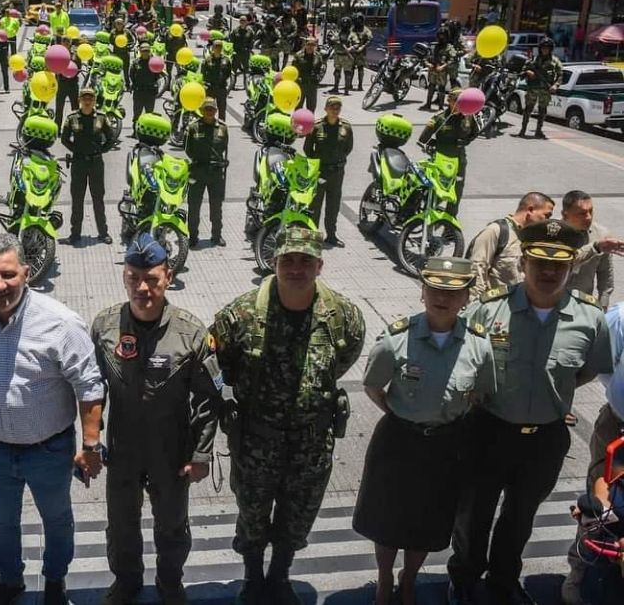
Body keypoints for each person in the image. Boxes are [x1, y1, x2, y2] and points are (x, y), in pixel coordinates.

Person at [447, 219, 614, 605]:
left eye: (559, 265)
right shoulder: (489, 311)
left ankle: (504, 582)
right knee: (474, 515)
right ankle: (465, 578)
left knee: (519, 519)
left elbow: (588, 369)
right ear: (523, 263)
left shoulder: (589, 319)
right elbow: (464, 360)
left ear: (572, 267)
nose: (548, 272)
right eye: (539, 262)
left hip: (545, 437)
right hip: (489, 430)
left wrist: (551, 395)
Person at [211, 227, 365, 604]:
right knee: (252, 514)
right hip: (257, 439)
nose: (296, 268)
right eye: (288, 260)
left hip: (311, 441)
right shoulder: (241, 314)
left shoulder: (342, 315)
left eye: (305, 261)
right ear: (274, 263)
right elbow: (219, 363)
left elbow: (344, 357)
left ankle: (279, 575)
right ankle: (252, 577)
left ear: (319, 265)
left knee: (298, 515)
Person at [0, 233, 106, 605]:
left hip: (49, 449)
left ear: (27, 272)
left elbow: (89, 386)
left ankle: (55, 578)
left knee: (56, 518)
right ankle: (11, 580)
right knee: (0, 522)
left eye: (8, 274)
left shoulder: (60, 323)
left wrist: (91, 446)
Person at [353, 257, 496, 605]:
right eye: (434, 288)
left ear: (466, 297)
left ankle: (410, 577)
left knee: (429, 520)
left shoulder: (478, 344)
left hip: (446, 445)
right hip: (399, 441)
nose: (441, 297)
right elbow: (373, 386)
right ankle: (385, 578)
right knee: (387, 517)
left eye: (452, 291)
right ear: (422, 291)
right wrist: (401, 413)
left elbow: (482, 392)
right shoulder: (396, 339)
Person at [92, 233, 221, 604]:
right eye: (134, 277)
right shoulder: (105, 327)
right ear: (124, 276)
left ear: (168, 276)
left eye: (152, 278)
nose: (142, 287)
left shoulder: (191, 332)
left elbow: (209, 398)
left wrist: (201, 454)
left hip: (171, 448)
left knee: (172, 524)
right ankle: (127, 581)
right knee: (121, 524)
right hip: (123, 447)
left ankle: (170, 582)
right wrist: (91, 439)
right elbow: (91, 388)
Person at [561, 300, 624, 605]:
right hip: (618, 428)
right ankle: (579, 576)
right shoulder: (620, 318)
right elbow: (601, 365)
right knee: (598, 510)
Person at [467, 192, 554, 299]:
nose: (548, 221)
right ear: (531, 210)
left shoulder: (534, 239)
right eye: (546, 215)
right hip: (496, 308)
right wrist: (475, 307)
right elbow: (477, 270)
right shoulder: (496, 231)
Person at [61, 87, 115, 245]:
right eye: (84, 98)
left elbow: (111, 138)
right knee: (77, 199)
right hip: (78, 163)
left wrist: (101, 150)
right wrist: (76, 151)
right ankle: (75, 235)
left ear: (94, 100)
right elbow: (64, 139)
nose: (87, 101)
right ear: (79, 100)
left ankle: (103, 233)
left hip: (96, 163)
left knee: (98, 198)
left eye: (90, 98)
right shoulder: (72, 118)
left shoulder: (102, 117)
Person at [418, 88, 478, 215]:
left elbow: (474, 133)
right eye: (456, 100)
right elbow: (423, 139)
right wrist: (436, 145)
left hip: (459, 160)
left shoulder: (468, 117)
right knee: (437, 189)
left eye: (461, 101)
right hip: (440, 159)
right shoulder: (439, 118)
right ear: (449, 100)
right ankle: (427, 214)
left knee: (457, 190)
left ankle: (450, 223)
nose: (459, 104)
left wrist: (466, 141)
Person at [304, 96, 353, 246]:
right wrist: (317, 164)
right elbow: (307, 148)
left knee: (333, 205)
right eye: (332, 107)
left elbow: (348, 148)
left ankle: (331, 235)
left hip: (337, 173)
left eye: (338, 108)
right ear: (325, 109)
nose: (335, 110)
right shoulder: (317, 126)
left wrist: (338, 160)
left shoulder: (346, 127)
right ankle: (312, 235)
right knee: (315, 205)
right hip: (320, 172)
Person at [184, 98, 229, 248]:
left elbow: (224, 147)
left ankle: (216, 236)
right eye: (206, 109)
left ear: (216, 111)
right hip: (197, 171)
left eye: (212, 109)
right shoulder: (193, 127)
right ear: (202, 111)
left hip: (215, 173)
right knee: (194, 206)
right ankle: (193, 237)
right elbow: (188, 149)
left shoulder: (223, 128)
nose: (209, 112)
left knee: (216, 207)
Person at [562, 190, 617, 309]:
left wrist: (603, 306)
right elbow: (568, 260)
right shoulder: (552, 233)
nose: (588, 217)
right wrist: (595, 247)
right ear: (565, 214)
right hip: (553, 302)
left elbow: (605, 274)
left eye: (591, 211)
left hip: (583, 304)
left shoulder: (602, 235)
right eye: (582, 213)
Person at [517, 37, 563, 139]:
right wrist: (528, 72)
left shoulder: (555, 61)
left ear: (551, 49)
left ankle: (538, 131)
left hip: (545, 90)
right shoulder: (533, 59)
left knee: (542, 110)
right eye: (543, 47)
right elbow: (522, 71)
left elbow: (560, 75)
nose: (545, 50)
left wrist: (556, 85)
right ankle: (523, 129)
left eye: (547, 48)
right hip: (533, 88)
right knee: (528, 109)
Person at [420, 29, 458, 111]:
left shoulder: (449, 48)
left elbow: (452, 59)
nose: (441, 37)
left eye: (443, 35)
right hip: (433, 70)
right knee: (431, 87)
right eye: (440, 35)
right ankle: (428, 104)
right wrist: (428, 64)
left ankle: (440, 107)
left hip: (442, 71)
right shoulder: (434, 47)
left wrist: (443, 66)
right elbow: (427, 57)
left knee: (441, 88)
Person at [290, 38, 324, 113]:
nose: (310, 47)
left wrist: (318, 77)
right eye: (308, 44)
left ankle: (310, 123)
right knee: (298, 107)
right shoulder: (298, 55)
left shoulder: (318, 56)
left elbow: (321, 68)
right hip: (301, 85)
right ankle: (297, 123)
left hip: (312, 85)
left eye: (313, 45)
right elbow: (293, 69)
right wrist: (297, 79)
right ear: (305, 45)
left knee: (311, 107)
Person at [129, 42, 159, 126]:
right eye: (143, 51)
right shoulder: (136, 62)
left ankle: (147, 132)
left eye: (147, 51)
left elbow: (158, 75)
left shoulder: (154, 62)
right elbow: (131, 74)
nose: (145, 53)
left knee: (149, 114)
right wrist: (133, 84)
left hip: (150, 92)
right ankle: (135, 130)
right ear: (140, 51)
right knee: (137, 113)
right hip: (139, 91)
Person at [201, 40, 230, 122]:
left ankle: (221, 125)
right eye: (216, 46)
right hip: (210, 88)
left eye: (219, 46)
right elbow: (203, 72)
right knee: (208, 107)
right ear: (212, 48)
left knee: (222, 109)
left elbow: (228, 73)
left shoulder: (226, 60)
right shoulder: (208, 60)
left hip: (221, 88)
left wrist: (222, 80)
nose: (217, 48)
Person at [55, 35, 81, 128]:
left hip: (72, 83)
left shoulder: (75, 53)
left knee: (75, 108)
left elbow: (79, 67)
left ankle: (76, 128)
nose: (66, 43)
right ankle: (57, 129)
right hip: (61, 83)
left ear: (70, 43)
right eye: (64, 41)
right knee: (59, 109)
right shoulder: (58, 53)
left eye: (67, 42)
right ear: (61, 43)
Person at [329, 17, 356, 95]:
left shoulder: (352, 34)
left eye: (346, 24)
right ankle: (335, 87)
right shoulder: (338, 33)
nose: (345, 25)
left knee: (347, 73)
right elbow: (333, 40)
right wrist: (333, 40)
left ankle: (346, 90)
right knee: (337, 72)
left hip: (347, 56)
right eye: (343, 23)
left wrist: (350, 48)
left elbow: (356, 43)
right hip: (338, 55)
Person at [350, 13, 373, 91]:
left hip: (361, 52)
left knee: (360, 68)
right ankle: (349, 84)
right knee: (351, 68)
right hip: (352, 52)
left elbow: (369, 40)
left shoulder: (366, 30)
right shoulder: (352, 29)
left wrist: (362, 47)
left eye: (359, 20)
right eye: (356, 20)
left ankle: (360, 85)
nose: (357, 22)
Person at [231, 15, 256, 87]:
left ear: (246, 22)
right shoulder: (235, 30)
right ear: (239, 21)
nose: (242, 22)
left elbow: (252, 40)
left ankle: (246, 85)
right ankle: (233, 84)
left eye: (244, 21)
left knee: (246, 70)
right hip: (236, 53)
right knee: (234, 70)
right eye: (241, 20)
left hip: (245, 53)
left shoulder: (250, 31)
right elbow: (231, 41)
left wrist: (249, 49)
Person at [111, 19, 134, 89]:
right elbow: (110, 41)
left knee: (126, 71)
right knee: (115, 71)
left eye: (120, 23)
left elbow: (132, 41)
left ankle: (127, 84)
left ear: (123, 24)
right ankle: (114, 85)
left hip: (125, 54)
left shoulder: (127, 32)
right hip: (116, 54)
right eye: (117, 23)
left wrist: (129, 46)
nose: (119, 25)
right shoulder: (113, 32)